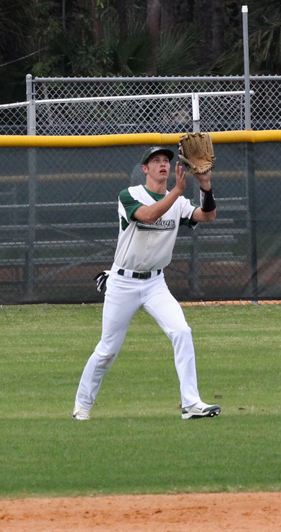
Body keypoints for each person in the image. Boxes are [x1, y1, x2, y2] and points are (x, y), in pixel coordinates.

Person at [73, 145, 221, 421]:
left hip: (155, 283)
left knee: (182, 331)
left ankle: (191, 403)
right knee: (107, 350)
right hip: (123, 283)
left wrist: (205, 185)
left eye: (166, 160)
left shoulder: (178, 202)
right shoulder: (129, 195)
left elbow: (207, 216)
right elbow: (149, 215)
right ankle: (82, 405)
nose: (163, 164)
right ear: (145, 169)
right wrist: (177, 192)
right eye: (156, 161)